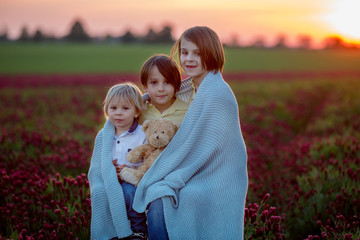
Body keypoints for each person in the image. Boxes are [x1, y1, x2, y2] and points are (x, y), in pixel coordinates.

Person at [132, 26, 248, 240]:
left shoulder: (216, 93)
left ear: (211, 53)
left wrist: (169, 172)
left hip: (217, 175)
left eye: (197, 53)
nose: (189, 59)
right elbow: (165, 96)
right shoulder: (193, 88)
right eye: (185, 52)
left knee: (161, 194)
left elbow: (202, 148)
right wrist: (142, 99)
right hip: (196, 170)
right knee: (159, 193)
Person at [88, 83, 148, 240]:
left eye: (125, 108)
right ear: (107, 110)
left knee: (129, 193)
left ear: (136, 112)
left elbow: (146, 161)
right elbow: (98, 163)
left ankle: (138, 229)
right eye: (113, 108)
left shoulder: (141, 134)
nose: (118, 113)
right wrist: (109, 169)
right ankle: (111, 230)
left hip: (133, 180)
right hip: (110, 180)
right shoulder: (104, 135)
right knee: (100, 193)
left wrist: (130, 171)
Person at [139, 54, 192, 125]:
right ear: (145, 86)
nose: (161, 89)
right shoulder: (139, 111)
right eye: (154, 83)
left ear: (176, 85)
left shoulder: (187, 112)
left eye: (167, 82)